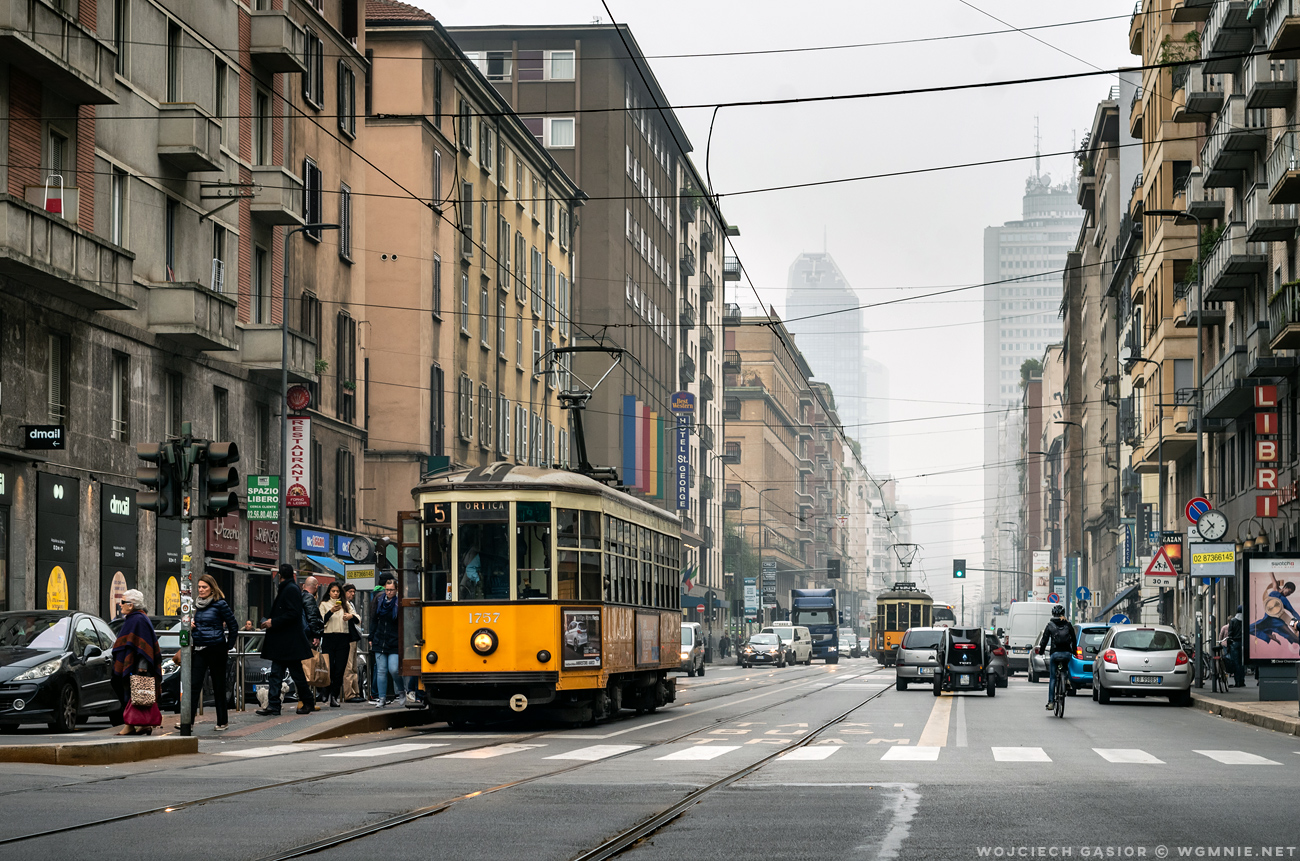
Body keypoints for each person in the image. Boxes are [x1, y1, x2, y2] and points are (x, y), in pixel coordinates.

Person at [256, 564, 317, 716]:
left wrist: (273, 622)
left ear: (280, 575)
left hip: (288, 642)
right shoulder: (290, 588)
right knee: (278, 674)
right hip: (285, 643)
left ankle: (305, 702)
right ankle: (275, 705)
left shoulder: (290, 589)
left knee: (294, 674)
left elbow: (293, 614)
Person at [188, 574, 238, 730]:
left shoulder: (220, 604)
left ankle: (222, 721)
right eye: (199, 587)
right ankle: (187, 721)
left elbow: (233, 626)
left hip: (216, 648)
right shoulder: (197, 605)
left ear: (212, 588)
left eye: (204, 587)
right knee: (195, 685)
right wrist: (192, 625)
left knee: (218, 686)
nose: (201, 590)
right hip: (200, 648)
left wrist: (227, 646)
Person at [111, 590, 161, 735]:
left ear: (131, 605)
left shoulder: (138, 619)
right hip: (134, 664)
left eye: (123, 602)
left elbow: (144, 647)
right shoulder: (135, 618)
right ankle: (141, 724)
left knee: (132, 693)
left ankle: (130, 725)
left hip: (138, 666)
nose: (120, 605)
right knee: (134, 693)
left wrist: (142, 668)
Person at [318, 581, 356, 708]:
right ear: (329, 592)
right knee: (329, 668)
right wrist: (331, 611)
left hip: (343, 638)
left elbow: (357, 617)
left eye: (338, 591)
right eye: (333, 591)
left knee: (340, 669)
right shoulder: (324, 604)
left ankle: (334, 696)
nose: (335, 594)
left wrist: (350, 616)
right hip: (329, 637)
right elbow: (320, 620)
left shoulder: (346, 604)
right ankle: (325, 690)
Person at [1035, 604, 1077, 711]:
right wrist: (1074, 651)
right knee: (1067, 664)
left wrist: (1041, 651)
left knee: (1053, 678)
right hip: (1067, 654)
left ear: (1053, 614)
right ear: (1063, 614)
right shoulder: (1068, 624)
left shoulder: (1050, 625)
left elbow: (1044, 640)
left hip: (1055, 654)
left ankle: (1051, 702)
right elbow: (1074, 639)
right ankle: (1066, 680)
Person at [369, 579, 402, 707]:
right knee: (381, 670)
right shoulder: (380, 601)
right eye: (387, 590)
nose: (388, 592)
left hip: (394, 641)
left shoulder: (399, 603)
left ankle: (401, 690)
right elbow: (374, 619)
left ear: (396, 590)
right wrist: (371, 637)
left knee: (394, 669)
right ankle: (382, 698)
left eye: (391, 590)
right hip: (380, 639)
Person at [300, 575, 325, 708]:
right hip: (309, 637)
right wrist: (316, 635)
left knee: (303, 669)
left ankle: (303, 700)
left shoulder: (300, 597)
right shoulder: (309, 598)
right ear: (316, 587)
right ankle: (306, 700)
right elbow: (312, 617)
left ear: (304, 586)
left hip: (301, 636)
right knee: (309, 669)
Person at [341, 583, 364, 702]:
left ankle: (356, 692)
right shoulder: (342, 604)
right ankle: (349, 693)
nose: (352, 594)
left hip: (353, 638)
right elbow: (355, 618)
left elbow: (357, 618)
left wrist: (354, 616)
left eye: (354, 592)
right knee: (349, 667)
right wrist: (354, 616)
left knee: (354, 666)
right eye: (350, 591)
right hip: (347, 638)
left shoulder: (351, 604)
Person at [1227, 605, 1245, 687]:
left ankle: (1237, 681)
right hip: (1243, 643)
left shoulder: (1233, 621)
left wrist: (1228, 645)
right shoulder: (1245, 620)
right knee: (1242, 663)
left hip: (1234, 643)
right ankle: (1242, 681)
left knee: (1236, 663)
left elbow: (1230, 634)